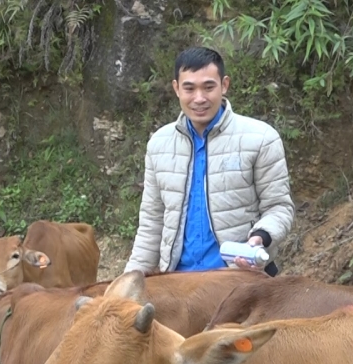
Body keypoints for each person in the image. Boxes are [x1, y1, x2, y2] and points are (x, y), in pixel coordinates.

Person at [124, 46, 295, 276]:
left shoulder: (261, 138)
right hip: (177, 283)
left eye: (208, 87)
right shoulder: (159, 145)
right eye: (189, 88)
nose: (199, 98)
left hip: (241, 279)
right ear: (176, 89)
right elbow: (151, 223)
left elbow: (279, 208)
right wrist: (128, 280)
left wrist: (260, 239)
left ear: (224, 85)